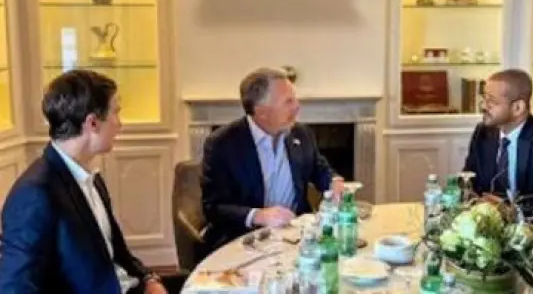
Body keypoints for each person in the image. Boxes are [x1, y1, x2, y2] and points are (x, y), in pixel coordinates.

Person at [0, 70, 179, 294]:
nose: (120, 124)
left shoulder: (90, 179)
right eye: (116, 112)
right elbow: (14, 288)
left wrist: (149, 279)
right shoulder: (34, 194)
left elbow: (118, 255)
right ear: (92, 123)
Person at [201, 67, 343, 252]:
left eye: (295, 99)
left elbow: (319, 168)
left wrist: (334, 182)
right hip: (246, 241)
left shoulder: (301, 133)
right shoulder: (223, 144)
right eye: (288, 101)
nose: (297, 107)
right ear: (262, 112)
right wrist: (258, 216)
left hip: (297, 236)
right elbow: (213, 208)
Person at [463, 68, 533, 216]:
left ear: (518, 108)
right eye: (484, 99)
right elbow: (468, 183)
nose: (483, 106)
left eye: (492, 101)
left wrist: (512, 211)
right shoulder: (483, 133)